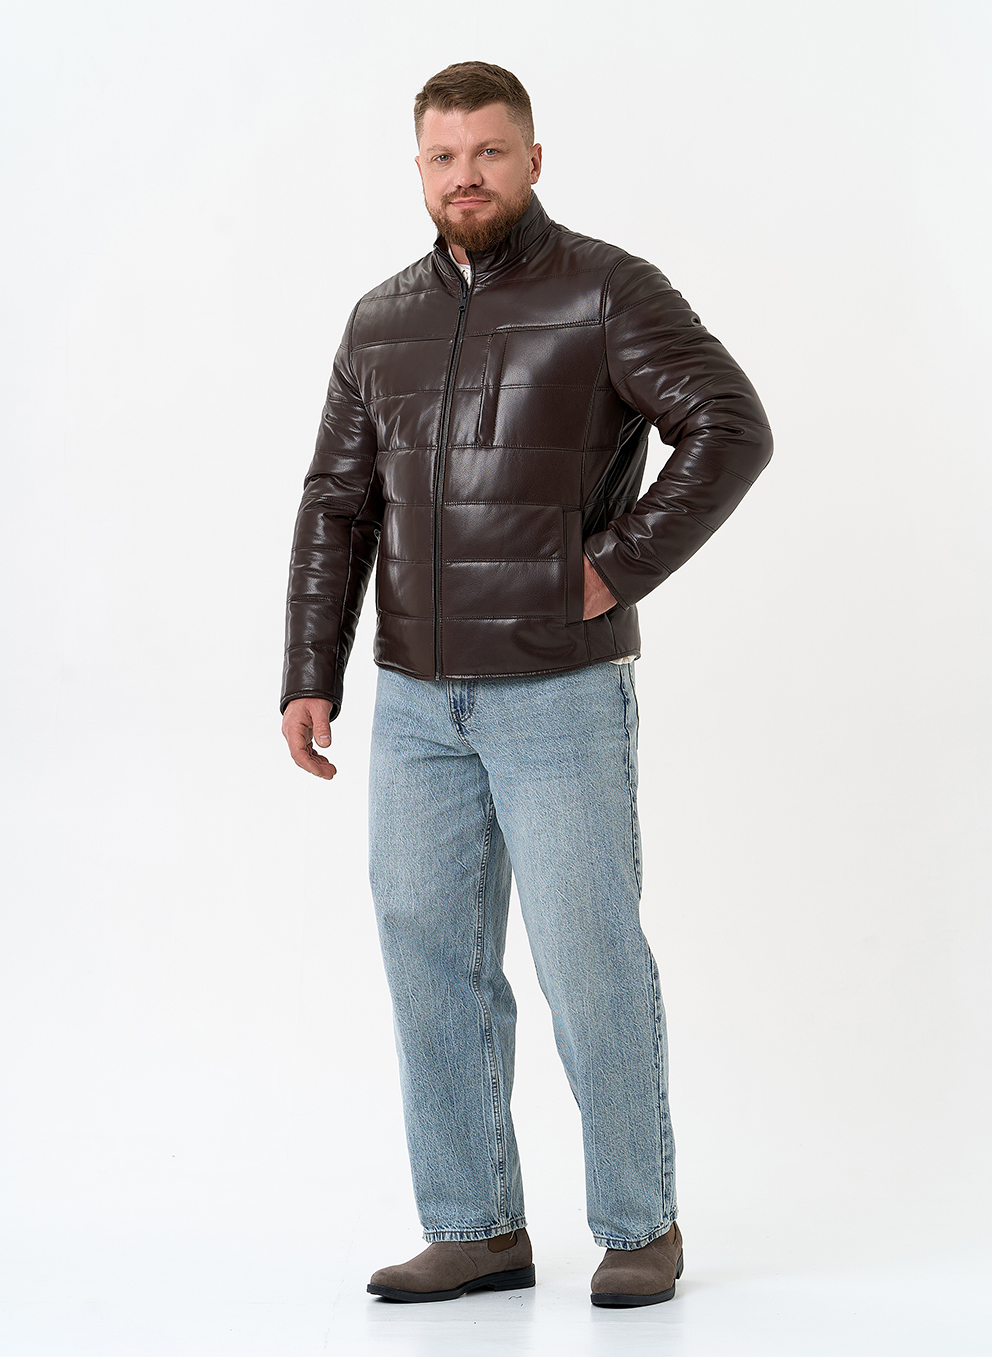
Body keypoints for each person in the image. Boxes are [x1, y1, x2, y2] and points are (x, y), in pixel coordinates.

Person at [280, 60, 772, 1308]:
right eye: (445, 157)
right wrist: (308, 670)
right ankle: (474, 1225)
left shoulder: (606, 289)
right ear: (419, 168)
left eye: (489, 153)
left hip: (557, 691)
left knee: (589, 960)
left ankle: (638, 1223)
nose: (467, 177)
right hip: (414, 702)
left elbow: (728, 423)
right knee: (428, 961)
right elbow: (337, 504)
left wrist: (612, 568)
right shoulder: (378, 320)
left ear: (533, 159)